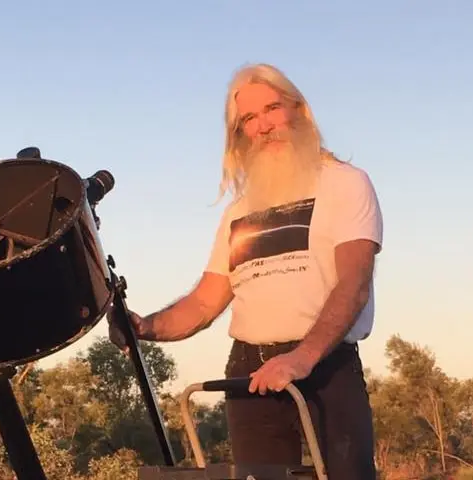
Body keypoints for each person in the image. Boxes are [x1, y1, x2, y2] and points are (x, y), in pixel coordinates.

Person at [108, 63, 382, 479]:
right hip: (248, 374)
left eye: (272, 109)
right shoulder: (239, 211)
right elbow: (204, 302)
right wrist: (145, 327)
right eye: (248, 119)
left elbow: (354, 282)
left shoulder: (345, 183)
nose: (264, 126)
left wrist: (301, 358)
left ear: (299, 110)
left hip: (324, 364)